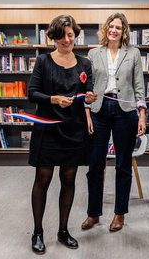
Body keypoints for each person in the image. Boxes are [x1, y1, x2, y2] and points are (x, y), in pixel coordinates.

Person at [27, 14, 97, 254]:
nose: (68, 39)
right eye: (63, 35)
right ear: (54, 37)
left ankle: (63, 230)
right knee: (43, 180)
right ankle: (38, 232)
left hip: (74, 130)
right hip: (48, 129)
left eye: (72, 35)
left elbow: (88, 91)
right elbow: (32, 93)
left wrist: (89, 97)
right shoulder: (43, 61)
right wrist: (52, 99)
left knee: (69, 180)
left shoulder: (84, 63)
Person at [82, 13, 146, 232]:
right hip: (99, 110)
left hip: (125, 111)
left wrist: (142, 115)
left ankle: (120, 214)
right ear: (105, 29)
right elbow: (87, 87)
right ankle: (93, 213)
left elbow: (139, 86)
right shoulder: (93, 53)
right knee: (95, 165)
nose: (114, 30)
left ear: (124, 31)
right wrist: (88, 113)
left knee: (123, 165)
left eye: (118, 27)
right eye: (111, 26)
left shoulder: (134, 53)